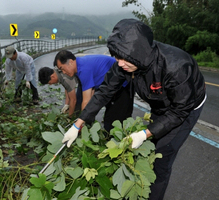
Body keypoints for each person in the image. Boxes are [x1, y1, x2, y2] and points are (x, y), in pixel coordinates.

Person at [61, 19, 206, 200]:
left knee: (162, 158)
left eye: (122, 58)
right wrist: (78, 124)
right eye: (116, 57)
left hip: (186, 107)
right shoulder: (126, 63)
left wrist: (144, 133)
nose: (119, 63)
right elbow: (104, 92)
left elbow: (179, 111)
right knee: (150, 147)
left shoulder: (176, 67)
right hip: (160, 104)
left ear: (138, 53)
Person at [54, 50, 134, 132]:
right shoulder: (80, 65)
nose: (63, 72)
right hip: (111, 88)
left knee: (115, 122)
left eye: (62, 68)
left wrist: (80, 123)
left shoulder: (83, 69)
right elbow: (92, 93)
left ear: (70, 62)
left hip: (123, 85)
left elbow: (86, 101)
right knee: (110, 119)